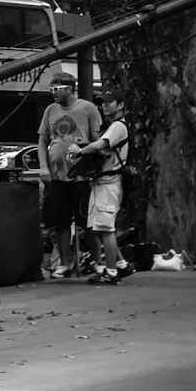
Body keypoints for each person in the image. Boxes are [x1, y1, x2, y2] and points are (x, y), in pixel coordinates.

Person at [37, 72, 101, 277]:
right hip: (57, 176)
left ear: (69, 88)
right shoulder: (50, 110)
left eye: (57, 89)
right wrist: (44, 167)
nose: (53, 94)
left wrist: (86, 147)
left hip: (80, 175)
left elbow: (98, 140)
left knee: (88, 221)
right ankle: (64, 263)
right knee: (61, 221)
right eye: (51, 89)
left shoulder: (88, 108)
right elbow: (42, 140)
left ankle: (98, 260)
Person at [73, 88, 130, 285]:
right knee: (97, 229)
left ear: (120, 105)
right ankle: (121, 264)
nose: (104, 106)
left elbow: (99, 147)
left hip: (109, 183)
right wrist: (88, 144)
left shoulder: (118, 126)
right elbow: (101, 147)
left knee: (105, 228)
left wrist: (80, 150)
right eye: (103, 102)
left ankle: (112, 273)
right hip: (101, 183)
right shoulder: (112, 126)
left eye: (109, 102)